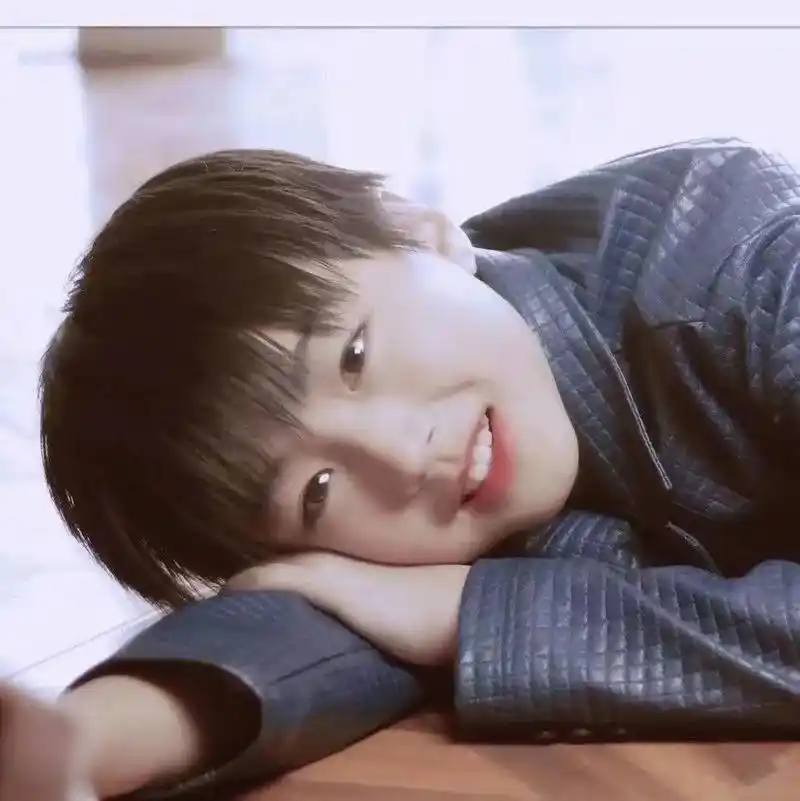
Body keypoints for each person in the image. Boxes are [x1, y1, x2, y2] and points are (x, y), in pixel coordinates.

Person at [31, 138, 800, 799]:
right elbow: (311, 620)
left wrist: (463, 614)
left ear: (421, 234)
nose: (401, 454)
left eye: (355, 356)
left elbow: (432, 612)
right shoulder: (428, 511)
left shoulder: (750, 261)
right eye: (317, 490)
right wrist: (78, 743)